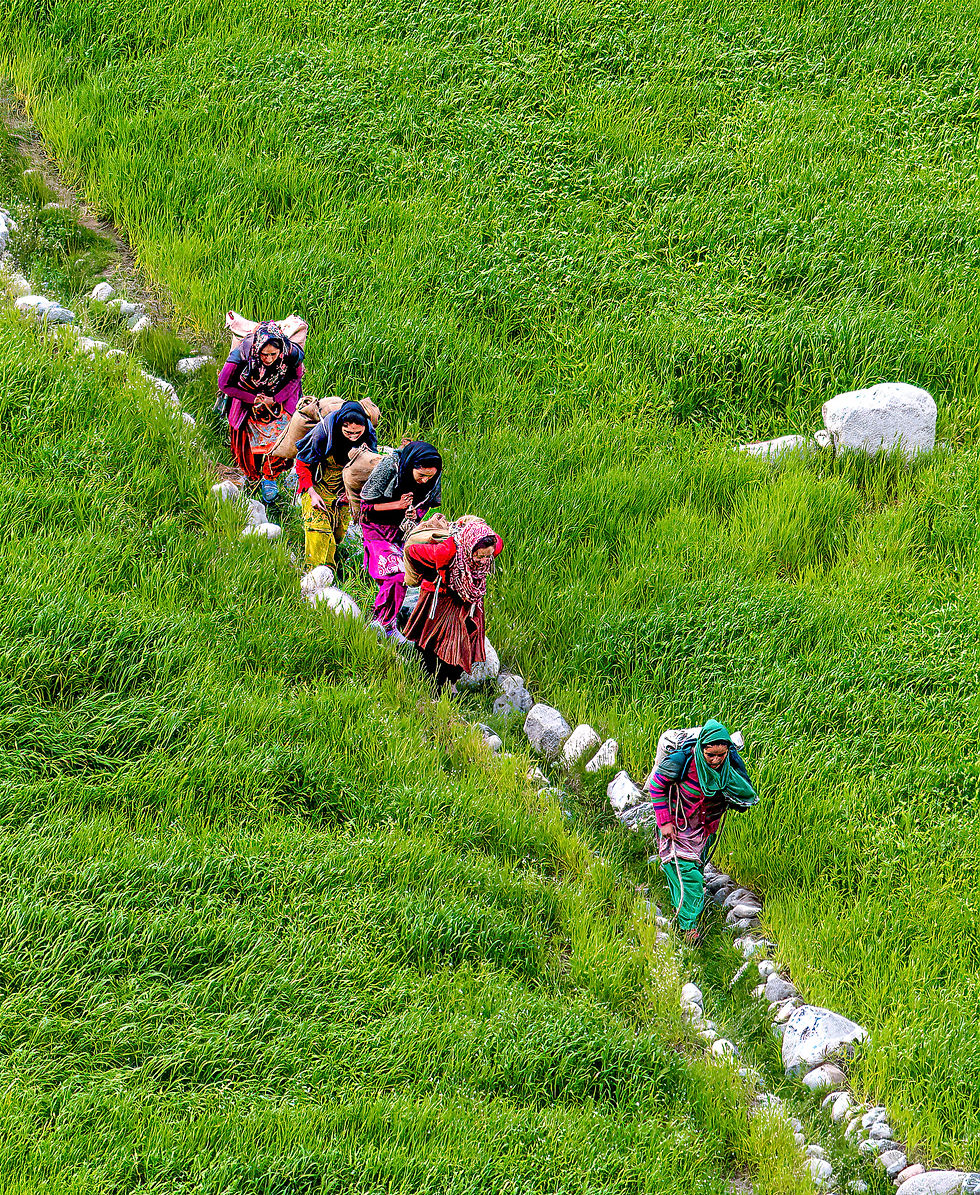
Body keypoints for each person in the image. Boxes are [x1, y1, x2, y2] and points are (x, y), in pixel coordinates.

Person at [648, 720, 757, 944]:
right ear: (702, 750)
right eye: (710, 755)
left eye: (721, 755)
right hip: (677, 828)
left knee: (689, 872)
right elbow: (657, 785)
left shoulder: (730, 769)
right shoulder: (682, 761)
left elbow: (742, 795)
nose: (716, 761)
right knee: (689, 877)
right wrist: (664, 822)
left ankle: (681, 911)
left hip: (704, 831)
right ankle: (689, 928)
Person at [403, 518, 503, 691]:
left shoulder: (492, 546)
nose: (484, 561)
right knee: (434, 642)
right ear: (468, 548)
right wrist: (432, 570)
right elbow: (412, 551)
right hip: (440, 597)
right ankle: (434, 684)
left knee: (465, 642)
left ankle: (446, 682)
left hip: (468, 599)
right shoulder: (446, 551)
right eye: (480, 556)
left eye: (488, 556)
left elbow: (497, 540)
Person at [358, 441, 442, 635]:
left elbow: (425, 505)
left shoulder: (433, 478)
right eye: (420, 475)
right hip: (376, 529)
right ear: (410, 465)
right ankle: (383, 623)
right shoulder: (390, 467)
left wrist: (415, 514)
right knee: (395, 575)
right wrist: (397, 505)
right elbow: (366, 508)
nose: (424, 481)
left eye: (429, 477)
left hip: (400, 532)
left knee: (402, 576)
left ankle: (384, 619)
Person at [217, 321, 304, 503]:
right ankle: (252, 476)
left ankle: (270, 476)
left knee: (282, 437)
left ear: (281, 351)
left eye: (273, 354)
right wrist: (252, 399)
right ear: (257, 350)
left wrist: (276, 398)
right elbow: (224, 384)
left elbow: (296, 377)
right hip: (247, 396)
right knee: (246, 442)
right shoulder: (241, 354)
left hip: (279, 397)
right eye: (264, 354)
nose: (269, 359)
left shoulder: (292, 354)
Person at [295, 401, 376, 570]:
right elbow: (302, 463)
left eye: (357, 432)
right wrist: (312, 493)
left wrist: (352, 494)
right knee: (318, 530)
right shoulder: (323, 435)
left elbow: (367, 470)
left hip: (344, 491)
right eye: (348, 431)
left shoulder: (368, 436)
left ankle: (329, 565)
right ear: (340, 425)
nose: (352, 436)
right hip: (318, 486)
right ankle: (317, 575)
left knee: (337, 534)